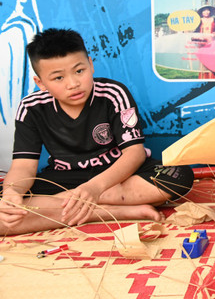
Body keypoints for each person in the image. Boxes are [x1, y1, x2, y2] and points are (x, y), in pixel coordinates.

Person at [0, 29, 194, 235]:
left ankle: (63, 206)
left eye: (79, 71)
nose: (73, 84)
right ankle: (106, 212)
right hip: (64, 178)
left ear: (91, 65)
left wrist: (94, 188)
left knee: (179, 174)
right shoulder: (31, 107)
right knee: (6, 211)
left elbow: (134, 153)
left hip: (116, 177)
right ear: (41, 83)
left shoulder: (113, 94)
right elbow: (23, 167)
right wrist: (13, 192)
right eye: (58, 78)